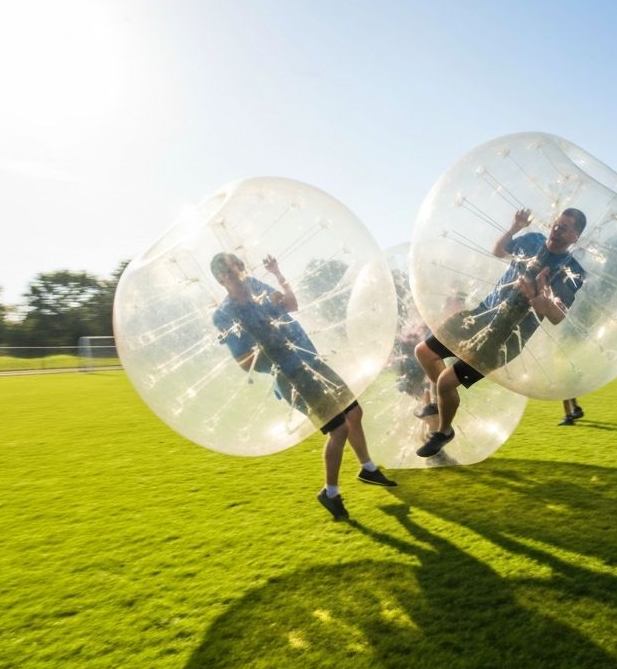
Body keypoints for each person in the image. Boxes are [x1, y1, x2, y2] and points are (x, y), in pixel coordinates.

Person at [211, 251, 396, 520]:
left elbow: (291, 304)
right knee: (339, 428)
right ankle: (330, 493)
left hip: (310, 358)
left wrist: (277, 274)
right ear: (222, 278)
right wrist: (268, 346)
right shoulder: (224, 314)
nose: (240, 271)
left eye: (239, 265)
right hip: (290, 376)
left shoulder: (257, 287)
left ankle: (367, 468)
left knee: (354, 412)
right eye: (232, 269)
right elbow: (243, 362)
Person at [413, 207, 587, 457]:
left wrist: (537, 296)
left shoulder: (572, 270)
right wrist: (515, 228)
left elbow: (557, 316)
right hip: (482, 313)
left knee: (445, 382)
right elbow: (498, 251)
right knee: (424, 352)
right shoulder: (533, 240)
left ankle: (444, 430)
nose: (557, 230)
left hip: (506, 336)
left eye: (566, 228)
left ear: (575, 237)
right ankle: (443, 402)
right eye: (557, 224)